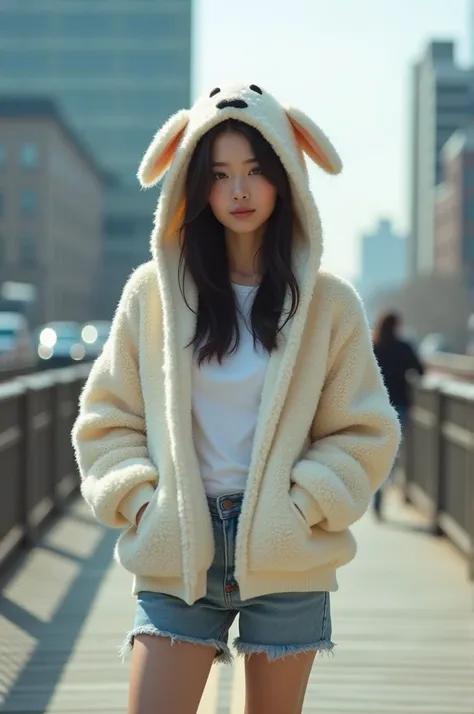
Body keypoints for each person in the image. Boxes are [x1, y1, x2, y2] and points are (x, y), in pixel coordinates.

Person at [72, 82, 401, 714]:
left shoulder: (328, 304)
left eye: (255, 171)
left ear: (287, 177)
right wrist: (144, 503)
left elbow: (364, 430)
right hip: (180, 550)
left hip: (285, 551)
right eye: (220, 175)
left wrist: (303, 505)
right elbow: (106, 419)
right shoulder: (154, 293)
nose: (240, 192)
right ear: (195, 186)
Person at [372, 311, 424, 518]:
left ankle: (377, 489)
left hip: (375, 406)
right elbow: (420, 371)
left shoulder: (373, 348)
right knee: (392, 453)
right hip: (399, 406)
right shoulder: (404, 348)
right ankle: (386, 486)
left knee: (376, 450)